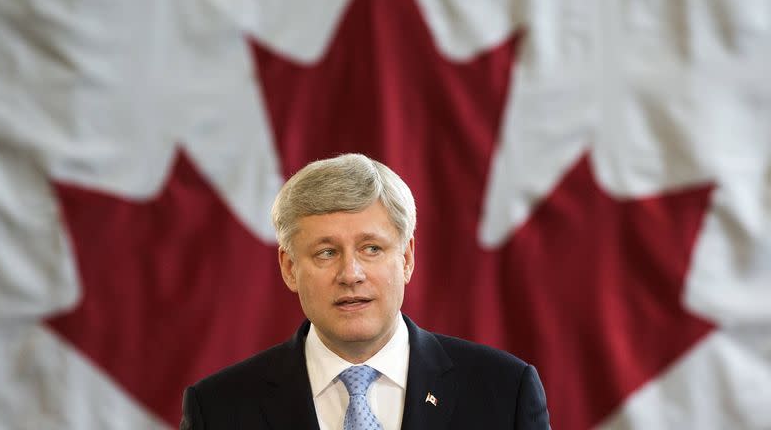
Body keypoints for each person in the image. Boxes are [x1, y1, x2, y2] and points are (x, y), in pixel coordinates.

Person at [180, 153, 550, 429]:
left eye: (371, 249)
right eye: (326, 253)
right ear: (290, 268)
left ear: (406, 258)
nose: (351, 274)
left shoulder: (503, 391)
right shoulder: (217, 409)